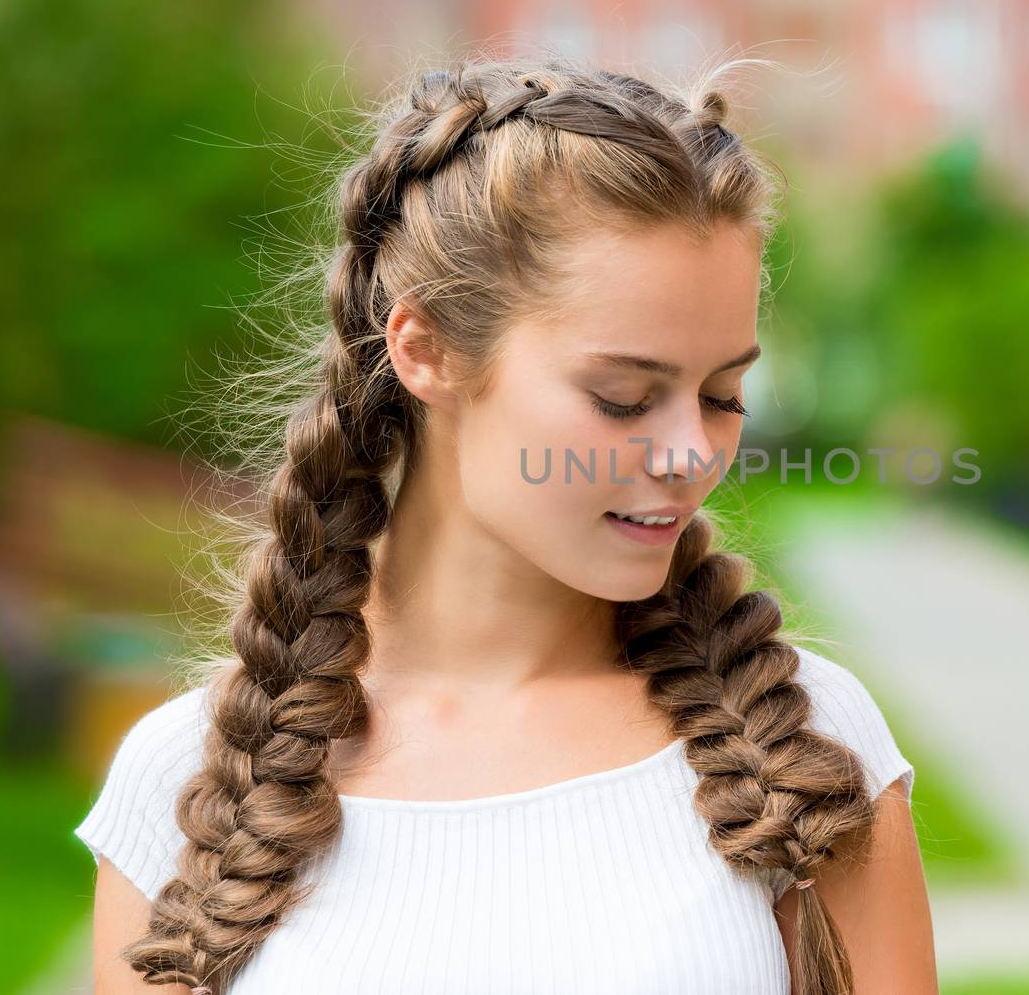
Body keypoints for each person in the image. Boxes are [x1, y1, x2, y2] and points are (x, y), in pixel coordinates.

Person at [75, 50, 935, 994]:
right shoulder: (187, 782)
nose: (691, 452)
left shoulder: (803, 750)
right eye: (623, 396)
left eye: (725, 393)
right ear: (427, 350)